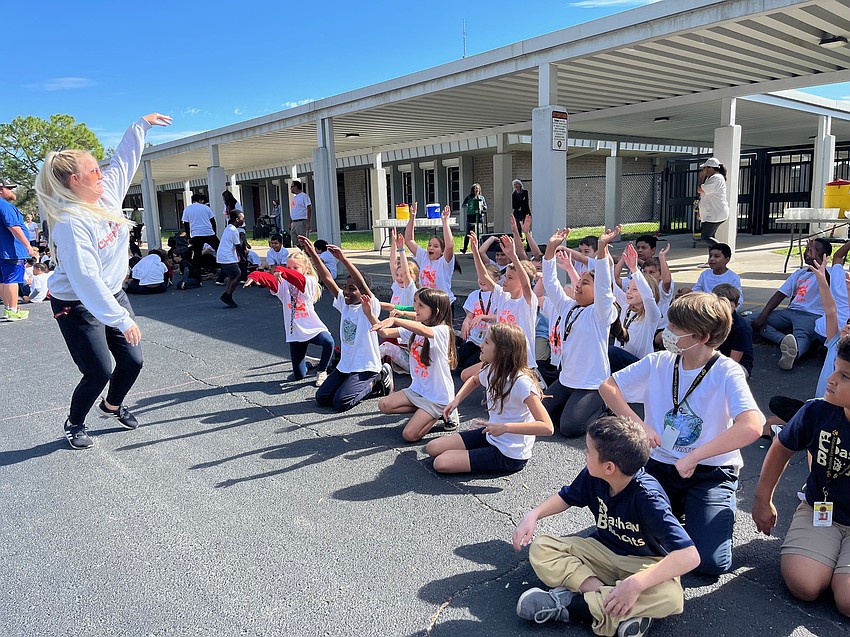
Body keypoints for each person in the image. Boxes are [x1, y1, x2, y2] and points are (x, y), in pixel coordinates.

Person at [599, 292, 764, 574]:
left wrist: (695, 456)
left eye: (675, 328)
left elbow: (752, 426)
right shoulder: (660, 361)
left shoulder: (727, 371)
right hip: (661, 464)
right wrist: (640, 425)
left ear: (701, 337)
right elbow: (608, 387)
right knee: (624, 537)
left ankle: (706, 509)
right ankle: (682, 514)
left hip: (711, 471)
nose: (667, 333)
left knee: (711, 563)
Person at [34, 113, 172, 449]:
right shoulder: (70, 223)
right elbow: (85, 280)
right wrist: (120, 318)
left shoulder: (105, 194)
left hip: (110, 294)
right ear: (72, 182)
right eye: (93, 170)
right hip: (76, 303)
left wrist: (140, 125)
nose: (101, 173)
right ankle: (75, 422)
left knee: (133, 361)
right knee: (99, 370)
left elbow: (125, 160)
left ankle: (111, 406)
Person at [513, 415, 700, 637]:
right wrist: (534, 515)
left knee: (672, 597)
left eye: (588, 451)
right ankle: (613, 603)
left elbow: (690, 556)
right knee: (542, 547)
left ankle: (572, 605)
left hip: (643, 563)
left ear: (609, 467)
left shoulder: (649, 499)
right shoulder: (593, 476)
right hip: (602, 551)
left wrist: (635, 584)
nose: (585, 454)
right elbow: (566, 497)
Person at [752, 337, 850, 619]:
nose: (830, 379)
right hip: (821, 509)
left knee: (847, 600)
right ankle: (830, 563)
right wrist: (762, 499)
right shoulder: (817, 410)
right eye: (834, 368)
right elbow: (781, 447)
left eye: (844, 376)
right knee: (804, 585)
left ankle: (838, 572)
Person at [426, 323, 553, 474]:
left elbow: (547, 427)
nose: (480, 345)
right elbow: (474, 380)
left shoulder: (522, 383)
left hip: (509, 454)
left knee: (441, 462)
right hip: (492, 435)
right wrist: (456, 400)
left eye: (486, 342)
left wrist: (504, 427)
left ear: (502, 351)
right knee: (432, 448)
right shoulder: (492, 369)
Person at [541, 226, 619, 437]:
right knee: (541, 415)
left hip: (592, 384)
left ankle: (604, 405)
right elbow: (550, 282)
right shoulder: (568, 306)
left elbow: (604, 287)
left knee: (570, 428)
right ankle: (571, 406)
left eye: (585, 283)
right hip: (567, 379)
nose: (578, 285)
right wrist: (550, 249)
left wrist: (602, 249)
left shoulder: (601, 313)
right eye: (580, 281)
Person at [299, 237, 393, 405]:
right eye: (345, 288)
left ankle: (376, 381)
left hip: (366, 367)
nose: (346, 292)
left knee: (341, 402)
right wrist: (312, 253)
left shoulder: (369, 306)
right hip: (346, 365)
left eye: (352, 289)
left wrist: (343, 259)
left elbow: (362, 285)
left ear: (363, 292)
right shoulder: (345, 303)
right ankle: (350, 383)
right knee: (322, 398)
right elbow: (327, 278)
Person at [367, 287, 458, 442]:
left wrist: (395, 320)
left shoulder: (443, 331)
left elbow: (424, 330)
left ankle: (444, 410)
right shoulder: (415, 329)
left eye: (421, 305)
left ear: (436, 311)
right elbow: (385, 333)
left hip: (437, 397)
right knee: (384, 405)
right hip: (418, 390)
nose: (415, 308)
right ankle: (427, 413)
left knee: (409, 435)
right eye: (415, 303)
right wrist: (369, 314)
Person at [245, 250, 334, 384]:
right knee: (298, 375)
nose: (291, 270)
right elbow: (271, 281)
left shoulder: (310, 280)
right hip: (295, 332)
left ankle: (322, 370)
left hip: (312, 327)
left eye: (296, 267)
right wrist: (256, 275)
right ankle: (309, 364)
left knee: (328, 341)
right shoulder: (284, 282)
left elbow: (298, 280)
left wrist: (282, 270)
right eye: (289, 267)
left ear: (306, 268)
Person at [751, 238, 830, 370]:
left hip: (812, 315)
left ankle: (794, 353)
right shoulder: (799, 273)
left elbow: (828, 283)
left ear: (824, 256)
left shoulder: (830, 273)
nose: (808, 253)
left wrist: (818, 262)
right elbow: (779, 295)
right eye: (807, 249)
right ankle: (783, 341)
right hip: (791, 312)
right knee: (750, 319)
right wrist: (763, 315)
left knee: (802, 336)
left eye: (814, 250)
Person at [608, 243, 662, 373]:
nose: (628, 292)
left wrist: (634, 269)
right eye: (628, 288)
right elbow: (611, 285)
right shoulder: (627, 307)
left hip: (639, 366)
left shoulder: (651, 315)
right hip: (622, 364)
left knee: (611, 351)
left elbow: (648, 296)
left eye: (635, 289)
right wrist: (606, 257)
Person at [404, 203, 457, 304]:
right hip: (426, 303)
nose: (431, 248)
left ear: (442, 251)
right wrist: (412, 217)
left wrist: (445, 222)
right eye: (429, 245)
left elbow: (449, 246)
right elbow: (409, 240)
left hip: (443, 304)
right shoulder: (424, 257)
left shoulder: (445, 262)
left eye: (435, 246)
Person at [0, 179, 37, 321]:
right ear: (1, 190)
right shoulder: (4, 205)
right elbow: (14, 227)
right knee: (12, 279)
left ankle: (9, 308)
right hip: (10, 250)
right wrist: (28, 245)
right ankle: (13, 311)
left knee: (3, 280)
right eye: (9, 188)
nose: (12, 190)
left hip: (3, 250)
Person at [713, 284, 753, 379]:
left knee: (723, 377)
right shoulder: (712, 320)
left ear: (736, 306)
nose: (722, 310)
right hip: (717, 358)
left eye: (727, 306)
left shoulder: (741, 327)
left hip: (738, 365)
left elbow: (733, 362)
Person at [696, 158, 729, 248]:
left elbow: (700, 190)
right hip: (712, 213)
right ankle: (712, 259)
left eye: (705, 168)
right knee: (711, 236)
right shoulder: (711, 178)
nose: (704, 171)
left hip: (715, 214)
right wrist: (700, 211)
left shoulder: (716, 178)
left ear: (710, 168)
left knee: (705, 237)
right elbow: (704, 196)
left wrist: (701, 178)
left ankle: (724, 251)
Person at [182, 193, 218, 271]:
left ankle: (197, 274)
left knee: (197, 254)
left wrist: (188, 237)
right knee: (219, 249)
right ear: (199, 200)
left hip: (196, 234)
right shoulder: (206, 208)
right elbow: (213, 221)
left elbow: (186, 224)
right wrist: (214, 232)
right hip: (209, 232)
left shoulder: (187, 209)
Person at [216, 210, 246, 308]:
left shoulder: (229, 228)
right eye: (242, 219)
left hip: (223, 256)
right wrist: (242, 258)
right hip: (226, 256)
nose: (243, 221)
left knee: (232, 275)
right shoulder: (233, 230)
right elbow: (238, 246)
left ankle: (227, 294)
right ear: (237, 219)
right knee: (237, 275)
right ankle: (227, 295)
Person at [460, 183, 487, 253]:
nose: (476, 190)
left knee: (480, 233)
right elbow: (463, 205)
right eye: (475, 189)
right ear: (472, 190)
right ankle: (464, 248)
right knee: (468, 233)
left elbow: (486, 206)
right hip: (471, 217)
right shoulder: (469, 197)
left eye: (478, 189)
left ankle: (481, 248)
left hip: (479, 217)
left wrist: (483, 206)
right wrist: (468, 205)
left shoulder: (481, 198)